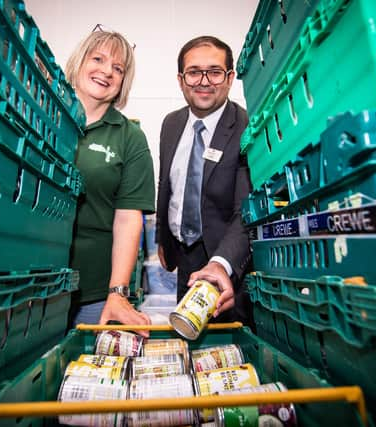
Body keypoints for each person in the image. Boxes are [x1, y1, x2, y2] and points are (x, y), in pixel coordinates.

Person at [155, 35, 254, 328]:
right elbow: (168, 185)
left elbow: (246, 211)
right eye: (194, 72)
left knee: (227, 353)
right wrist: (163, 237)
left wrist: (221, 264)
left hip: (228, 259)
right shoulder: (171, 124)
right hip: (185, 255)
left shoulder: (246, 126)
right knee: (187, 337)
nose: (204, 81)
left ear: (230, 77)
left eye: (214, 71)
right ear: (181, 78)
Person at [65, 26, 154, 336]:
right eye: (98, 59)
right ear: (79, 61)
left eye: (118, 68)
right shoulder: (42, 113)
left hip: (94, 292)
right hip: (30, 285)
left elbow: (129, 219)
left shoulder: (129, 137)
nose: (106, 71)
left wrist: (117, 292)